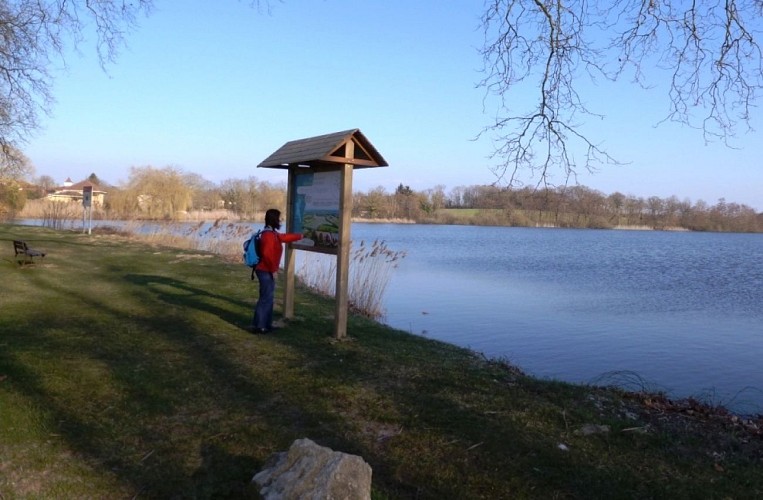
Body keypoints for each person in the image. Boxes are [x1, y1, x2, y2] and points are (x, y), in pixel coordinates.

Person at [251, 208, 303, 333]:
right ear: (274, 219)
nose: (280, 220)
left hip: (265, 270)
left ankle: (266, 324)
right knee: (265, 298)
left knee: (268, 297)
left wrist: (301, 236)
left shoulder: (271, 233)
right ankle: (260, 326)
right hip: (265, 270)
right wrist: (273, 270)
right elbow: (267, 255)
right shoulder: (268, 235)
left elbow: (284, 237)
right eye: (279, 218)